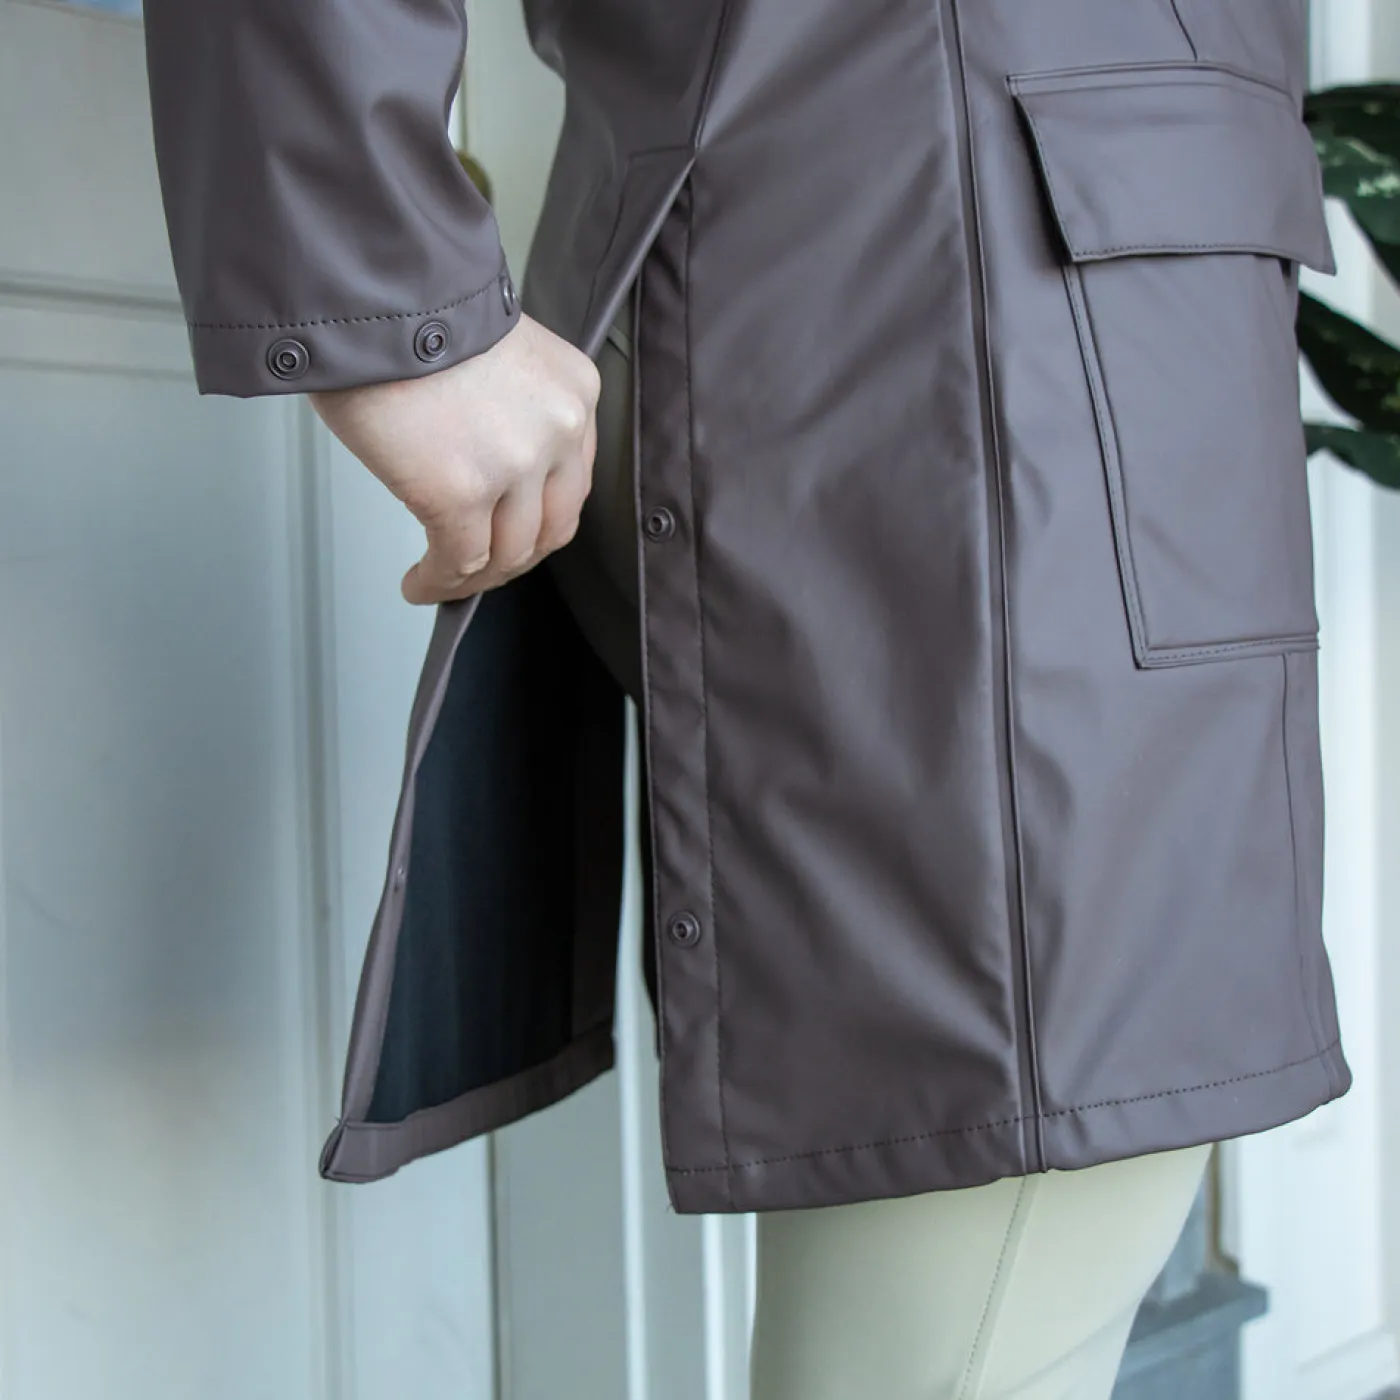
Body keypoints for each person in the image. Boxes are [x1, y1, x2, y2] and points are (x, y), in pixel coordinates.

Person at [142, 1, 1348, 1395]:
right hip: (961, 362)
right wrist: (382, 280)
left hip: (1052, 337)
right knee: (1002, 1206)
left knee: (1019, 1221)